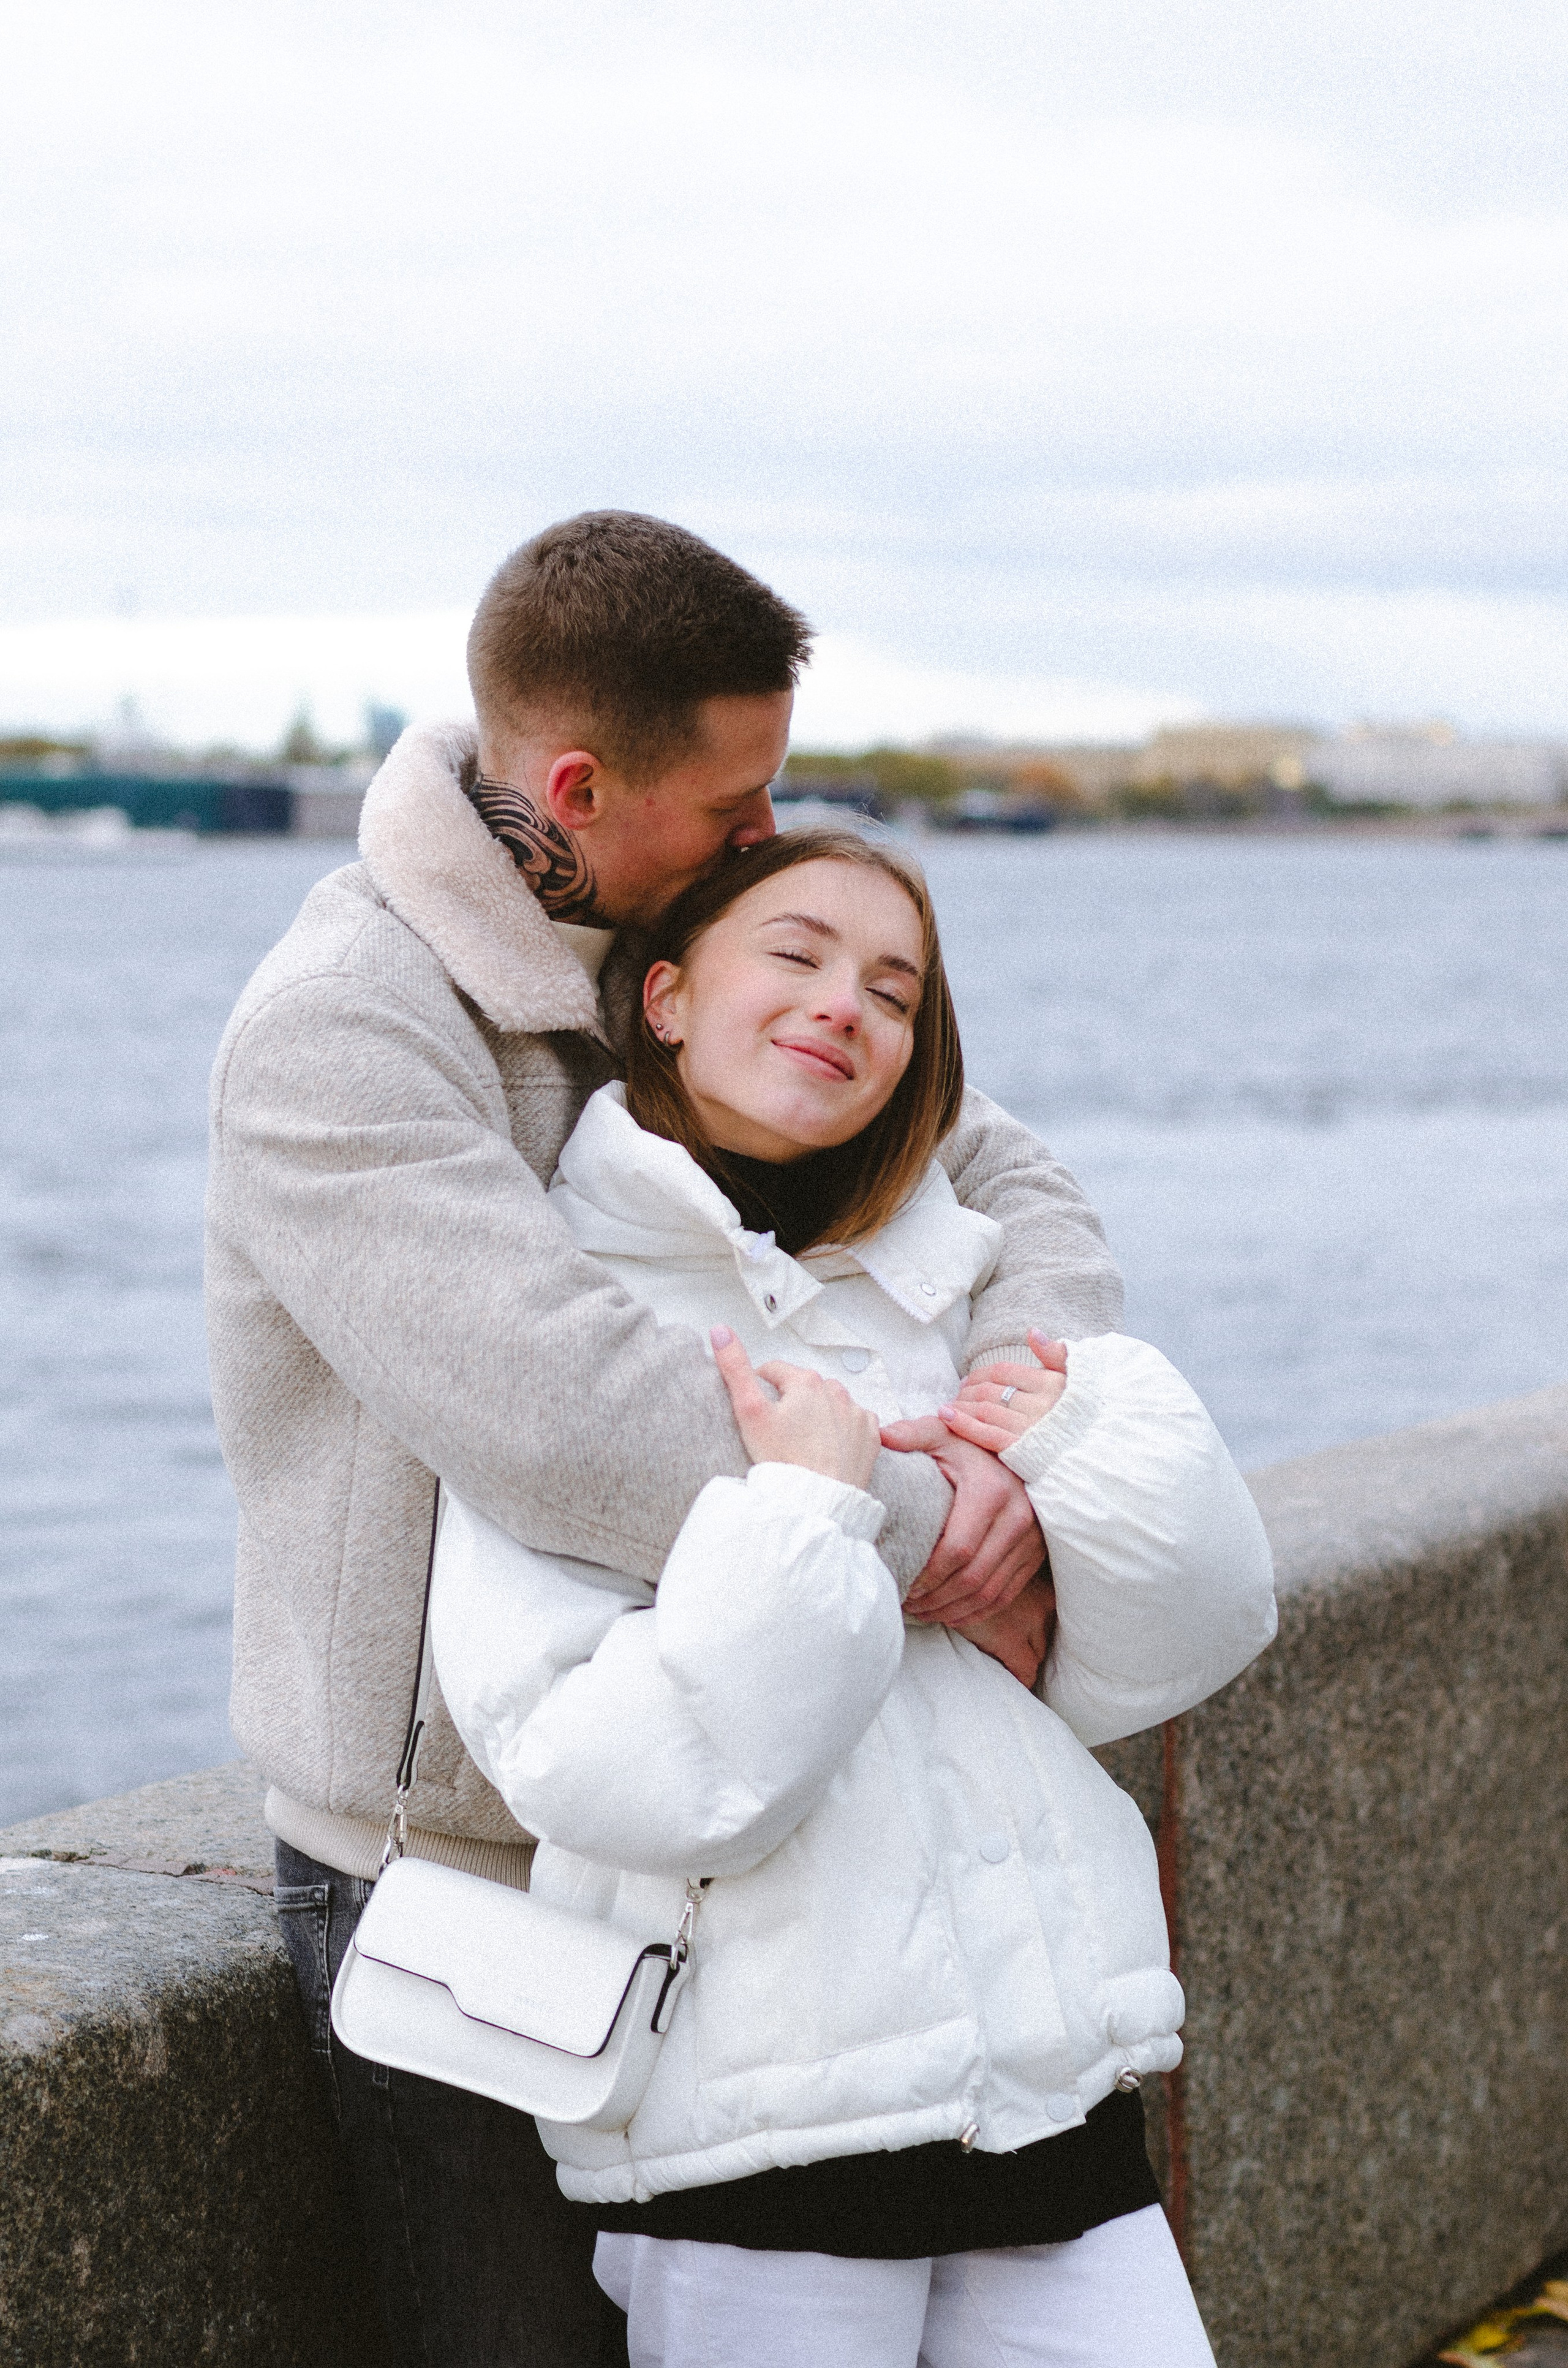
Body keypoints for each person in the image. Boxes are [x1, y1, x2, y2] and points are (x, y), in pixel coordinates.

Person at [205, 512, 1126, 2365]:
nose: (767, 835)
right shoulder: (341, 1031)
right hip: (462, 1862)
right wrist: (919, 1523)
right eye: (733, 802)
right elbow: (562, 1412)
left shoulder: (670, 930)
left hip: (753, 1809)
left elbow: (1002, 1169)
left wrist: (1027, 1443)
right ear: (578, 788)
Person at [431, 828, 1278, 2368]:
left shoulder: (953, 1283)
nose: (846, 1005)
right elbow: (600, 1766)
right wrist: (814, 1520)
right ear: (666, 996)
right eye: (797, 954)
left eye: (894, 992)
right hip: (755, 2132)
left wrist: (1077, 1450)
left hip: (1043, 2089)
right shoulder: (564, 1319)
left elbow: (1174, 1644)